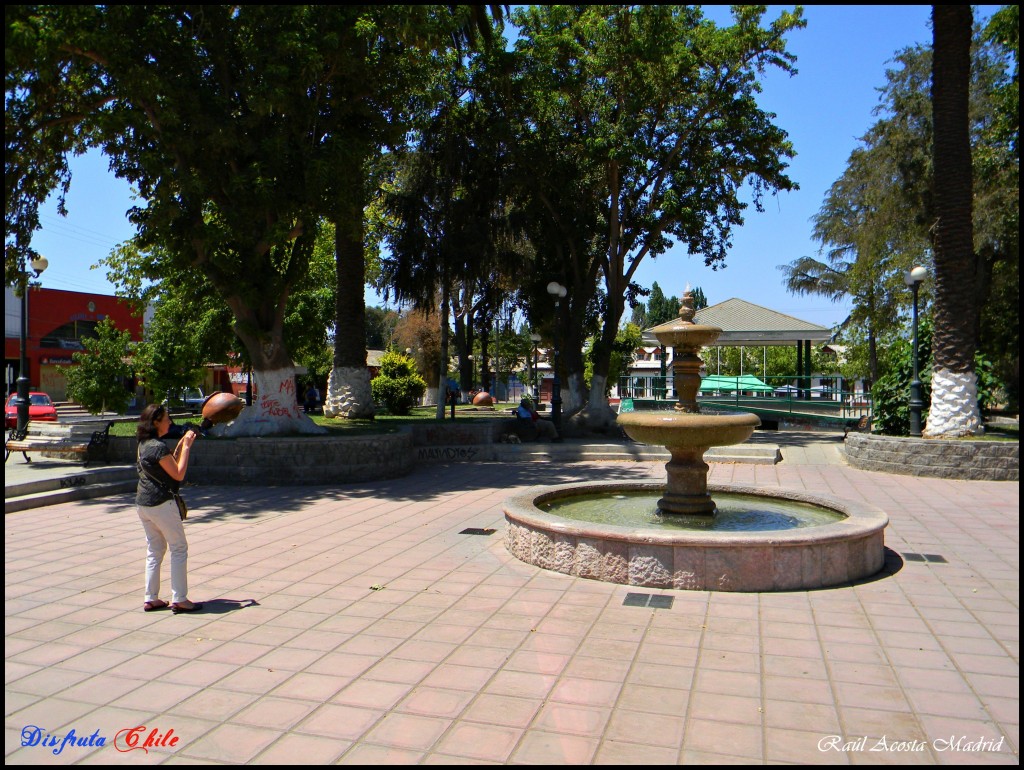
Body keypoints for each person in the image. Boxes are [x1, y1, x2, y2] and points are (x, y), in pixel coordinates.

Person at [135, 404, 202, 614]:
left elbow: (167, 465)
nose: (170, 422)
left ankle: (151, 597)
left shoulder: (143, 444)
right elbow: (178, 473)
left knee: (154, 550)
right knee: (178, 548)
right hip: (161, 503)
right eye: (166, 419)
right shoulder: (158, 447)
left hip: (143, 504)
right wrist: (187, 446)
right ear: (156, 422)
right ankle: (180, 599)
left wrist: (181, 444)